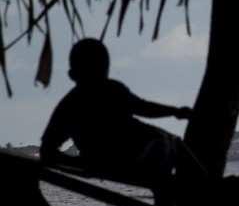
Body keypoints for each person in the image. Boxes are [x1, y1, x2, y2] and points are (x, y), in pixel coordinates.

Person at [40, 38, 194, 192]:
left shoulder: (68, 106)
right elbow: (143, 108)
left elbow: (47, 150)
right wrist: (175, 111)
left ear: (72, 74)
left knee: (166, 174)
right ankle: (201, 194)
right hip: (139, 154)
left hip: (111, 162)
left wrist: (81, 162)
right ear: (105, 70)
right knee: (178, 148)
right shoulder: (112, 89)